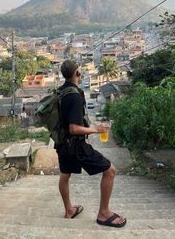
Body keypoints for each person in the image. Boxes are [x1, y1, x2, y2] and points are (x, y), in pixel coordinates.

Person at [55, 59, 126, 228]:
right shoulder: (74, 96)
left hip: (62, 144)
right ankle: (103, 214)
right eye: (79, 71)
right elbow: (74, 128)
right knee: (110, 171)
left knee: (65, 176)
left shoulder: (60, 91)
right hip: (76, 146)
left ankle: (69, 210)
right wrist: (97, 129)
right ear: (77, 73)